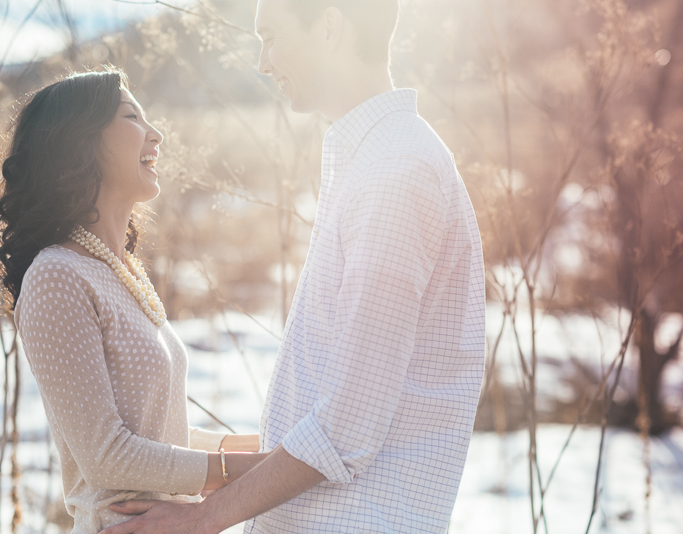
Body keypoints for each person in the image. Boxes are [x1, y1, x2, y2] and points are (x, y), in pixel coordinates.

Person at [101, 0, 486, 532]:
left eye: (272, 37)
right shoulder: (374, 158)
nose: (263, 62)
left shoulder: (395, 172)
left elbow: (346, 426)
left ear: (329, 24)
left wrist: (203, 518)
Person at [0, 68, 268, 534]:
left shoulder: (121, 270)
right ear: (80, 141)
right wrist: (256, 473)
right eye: (132, 116)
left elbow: (159, 434)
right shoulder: (57, 276)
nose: (156, 134)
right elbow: (107, 456)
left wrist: (270, 452)